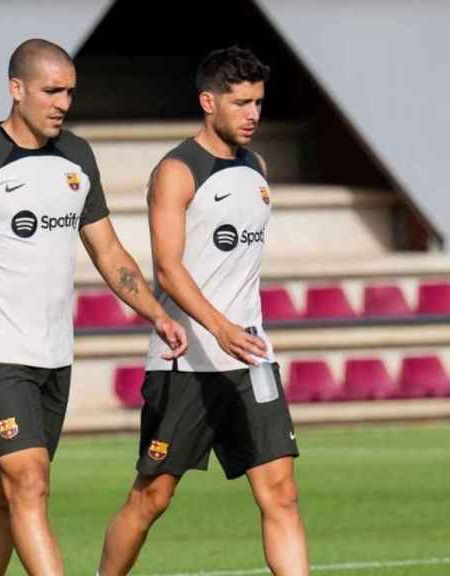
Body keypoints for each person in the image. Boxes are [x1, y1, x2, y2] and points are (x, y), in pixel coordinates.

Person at [0, 38, 187, 576]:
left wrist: (157, 312)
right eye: (51, 91)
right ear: (17, 90)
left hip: (55, 355)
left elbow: (107, 250)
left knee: (2, 504)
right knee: (30, 483)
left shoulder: (77, 157)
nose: (62, 102)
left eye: (69, 92)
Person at [98, 46, 308, 575]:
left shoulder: (257, 167)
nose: (253, 114)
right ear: (207, 102)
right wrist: (219, 328)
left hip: (251, 356)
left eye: (258, 102)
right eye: (240, 103)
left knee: (280, 493)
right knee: (153, 498)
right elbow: (167, 269)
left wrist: (241, 334)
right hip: (186, 360)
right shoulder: (176, 170)